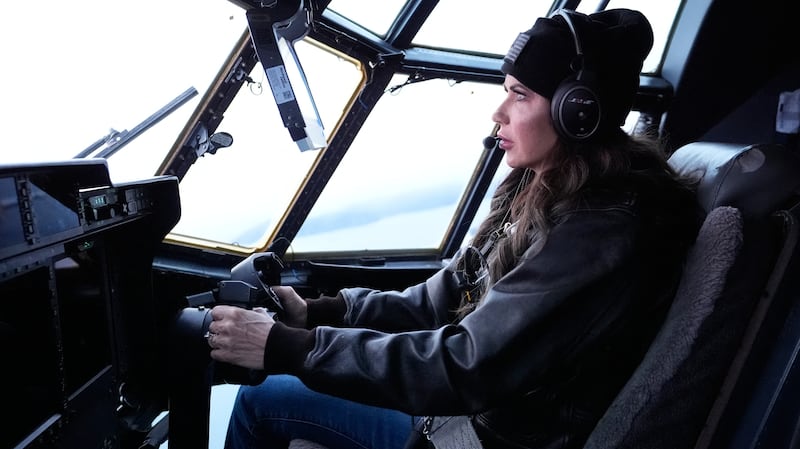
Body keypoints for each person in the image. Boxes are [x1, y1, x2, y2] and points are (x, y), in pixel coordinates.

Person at [206, 8, 701, 449]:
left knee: (259, 402)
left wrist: (286, 347)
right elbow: (437, 299)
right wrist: (318, 312)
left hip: (480, 434)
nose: (498, 112)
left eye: (520, 95)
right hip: (470, 418)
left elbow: (468, 364)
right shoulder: (544, 190)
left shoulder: (600, 230)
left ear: (578, 113)